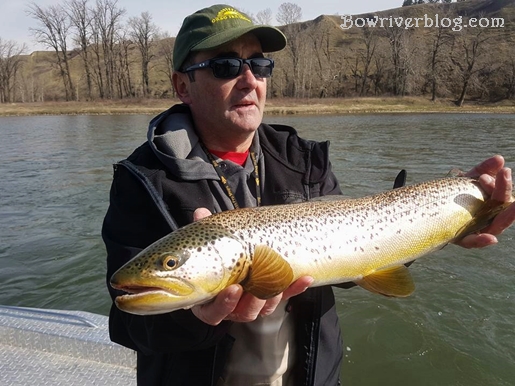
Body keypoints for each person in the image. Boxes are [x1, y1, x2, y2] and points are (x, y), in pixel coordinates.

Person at [103, 4, 515, 386]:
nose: (250, 80)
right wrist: (198, 317)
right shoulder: (142, 179)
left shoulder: (304, 158)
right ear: (182, 85)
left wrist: (457, 222)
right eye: (226, 66)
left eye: (260, 64)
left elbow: (357, 252)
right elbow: (129, 323)